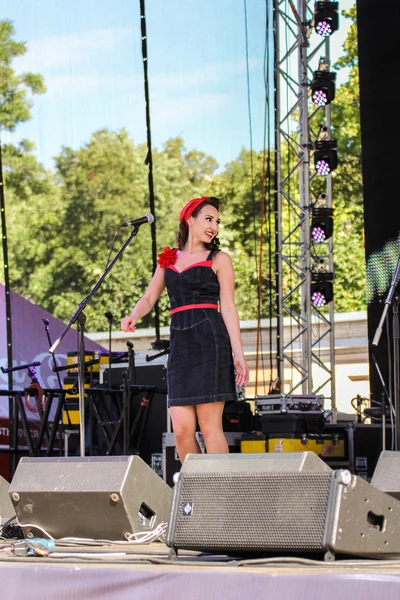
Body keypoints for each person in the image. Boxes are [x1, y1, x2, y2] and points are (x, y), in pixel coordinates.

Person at [121, 196, 249, 463]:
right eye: (208, 219)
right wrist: (134, 314)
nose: (214, 226)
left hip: (210, 342)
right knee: (181, 430)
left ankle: (219, 497)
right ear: (189, 220)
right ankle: (198, 488)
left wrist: (238, 354)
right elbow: (149, 298)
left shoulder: (219, 259)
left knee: (210, 427)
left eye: (217, 221)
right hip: (181, 346)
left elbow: (228, 306)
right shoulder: (168, 259)